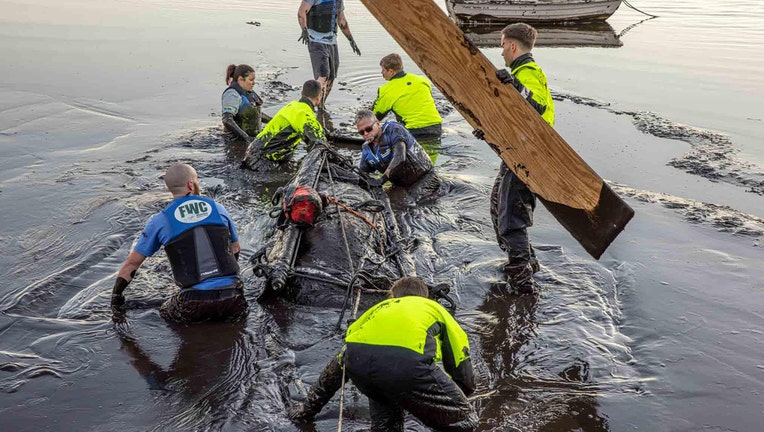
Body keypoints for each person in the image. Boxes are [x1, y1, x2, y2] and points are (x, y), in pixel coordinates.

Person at [289, 277, 478, 431]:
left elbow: (341, 361)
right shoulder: (434, 308)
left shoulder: (377, 309)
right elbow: (459, 354)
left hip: (361, 366)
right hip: (408, 367)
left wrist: (307, 411)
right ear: (425, 296)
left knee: (386, 426)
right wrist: (463, 393)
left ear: (392, 295)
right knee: (466, 420)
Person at [474, 23, 555, 295]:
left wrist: (516, 85)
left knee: (511, 216)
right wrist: (488, 130)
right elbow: (515, 117)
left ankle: (523, 286)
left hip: (529, 156)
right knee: (498, 206)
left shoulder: (527, 72)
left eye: (501, 46)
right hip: (517, 151)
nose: (501, 53)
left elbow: (537, 107)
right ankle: (528, 264)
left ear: (511, 46)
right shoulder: (521, 72)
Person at [110, 163, 247, 323]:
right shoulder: (218, 208)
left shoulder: (160, 220)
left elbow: (131, 265)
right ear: (191, 184)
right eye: (197, 180)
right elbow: (235, 248)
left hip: (193, 304)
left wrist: (116, 299)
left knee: (156, 307)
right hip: (234, 300)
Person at [242, 80, 327, 171]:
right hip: (262, 160)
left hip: (253, 152)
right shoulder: (305, 114)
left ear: (302, 93)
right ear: (319, 97)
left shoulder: (292, 106)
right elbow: (318, 142)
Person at [297, 0, 361, 108]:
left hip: (332, 41)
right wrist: (304, 30)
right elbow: (301, 12)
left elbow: (342, 21)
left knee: (331, 75)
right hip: (316, 40)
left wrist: (351, 40)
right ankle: (306, 105)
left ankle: (321, 106)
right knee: (323, 75)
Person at [355, 109, 433, 188]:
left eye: (368, 129)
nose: (366, 134)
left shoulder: (393, 129)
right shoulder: (366, 149)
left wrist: (381, 180)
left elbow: (400, 158)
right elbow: (362, 173)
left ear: (378, 124)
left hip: (425, 178)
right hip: (400, 186)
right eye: (361, 132)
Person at [372, 53, 442, 141]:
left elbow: (374, 117)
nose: (381, 72)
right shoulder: (422, 80)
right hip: (436, 127)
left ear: (391, 71)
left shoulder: (386, 90)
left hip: (413, 131)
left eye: (383, 70)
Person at [222, 64, 264, 141]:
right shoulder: (232, 94)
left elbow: (256, 114)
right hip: (234, 140)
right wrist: (246, 138)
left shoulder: (248, 93)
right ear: (241, 79)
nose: (254, 83)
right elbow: (227, 120)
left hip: (250, 138)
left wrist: (275, 121)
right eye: (251, 80)